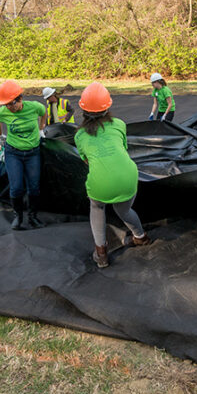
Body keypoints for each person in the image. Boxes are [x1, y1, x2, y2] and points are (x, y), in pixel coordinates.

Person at [75, 82, 151, 268]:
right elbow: (123, 150)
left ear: (83, 110)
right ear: (107, 106)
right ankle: (140, 237)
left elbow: (87, 162)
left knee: (97, 208)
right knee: (123, 209)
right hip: (128, 176)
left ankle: (101, 254)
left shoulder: (79, 136)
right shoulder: (119, 124)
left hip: (100, 184)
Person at [0, 80, 47, 230]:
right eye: (6, 104)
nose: (9, 107)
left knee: (34, 187)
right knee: (16, 187)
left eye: (12, 103)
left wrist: (41, 128)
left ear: (20, 99)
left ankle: (32, 217)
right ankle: (18, 216)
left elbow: (44, 113)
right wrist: (0, 136)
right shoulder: (2, 112)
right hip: (13, 153)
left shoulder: (34, 107)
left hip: (32, 153)